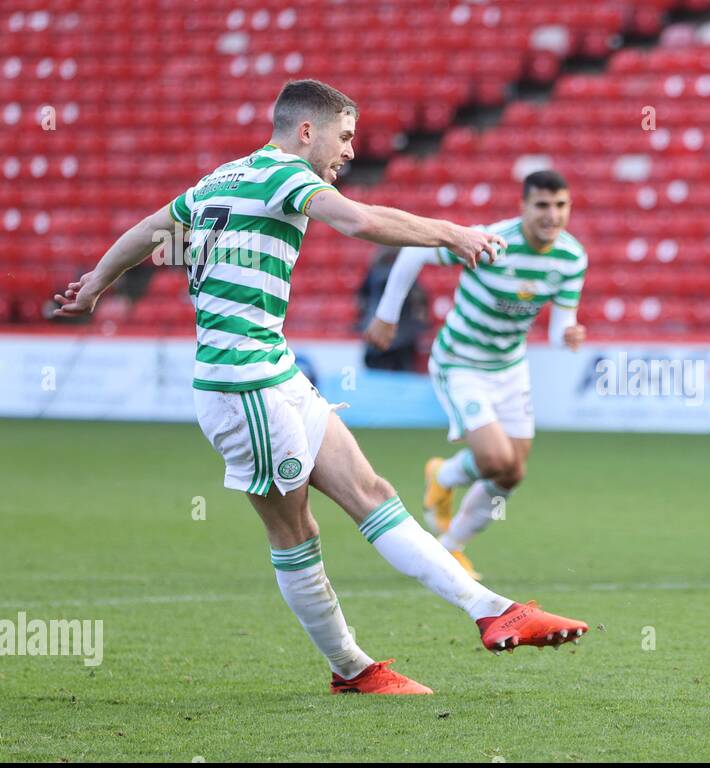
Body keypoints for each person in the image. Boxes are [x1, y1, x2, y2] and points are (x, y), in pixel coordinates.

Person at [52, 79, 589, 695]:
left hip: (275, 373)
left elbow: (150, 230)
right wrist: (452, 232)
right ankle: (351, 668)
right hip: (243, 386)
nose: (350, 151)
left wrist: (96, 282)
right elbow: (359, 221)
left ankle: (493, 610)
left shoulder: (220, 179)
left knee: (372, 491)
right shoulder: (286, 175)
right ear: (306, 131)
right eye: (345, 136)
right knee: (295, 532)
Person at [363, 170, 586, 579]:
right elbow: (415, 253)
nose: (551, 215)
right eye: (541, 205)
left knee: (512, 472)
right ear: (523, 207)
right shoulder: (492, 243)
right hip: (460, 362)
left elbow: (559, 327)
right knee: (494, 458)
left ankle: (450, 546)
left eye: (560, 205)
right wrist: (386, 315)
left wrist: (567, 335)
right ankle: (443, 475)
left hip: (510, 368)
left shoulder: (571, 258)